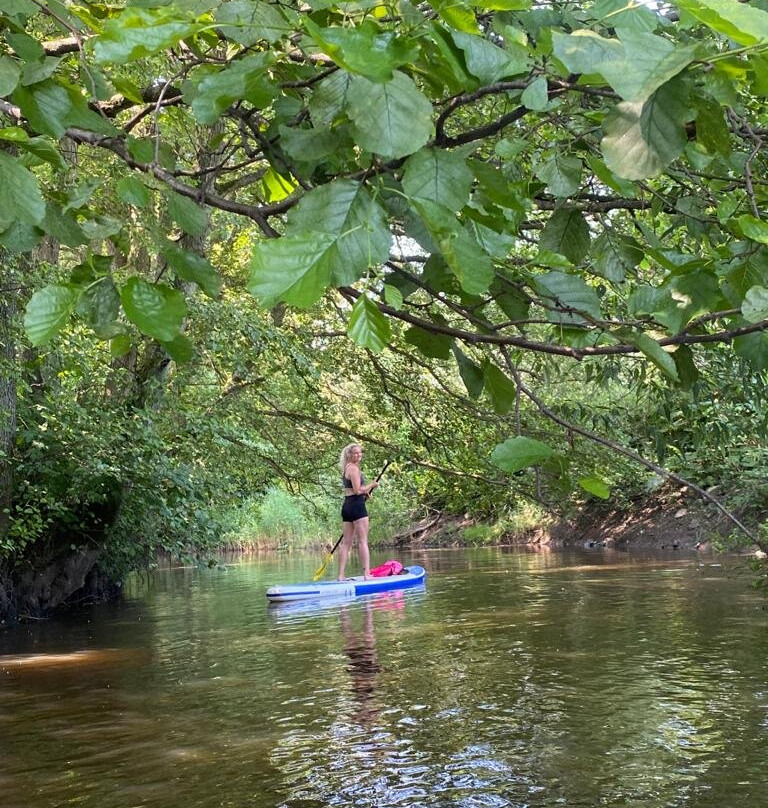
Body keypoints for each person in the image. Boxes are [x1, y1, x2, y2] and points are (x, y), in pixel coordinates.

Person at [338, 443, 380, 580]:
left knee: (346, 543)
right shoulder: (354, 469)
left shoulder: (346, 468)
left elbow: (353, 490)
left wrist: (365, 492)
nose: (358, 455)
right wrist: (371, 486)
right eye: (355, 453)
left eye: (360, 452)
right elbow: (357, 490)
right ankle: (367, 574)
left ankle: (341, 575)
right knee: (363, 541)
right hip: (357, 506)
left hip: (347, 507)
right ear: (349, 455)